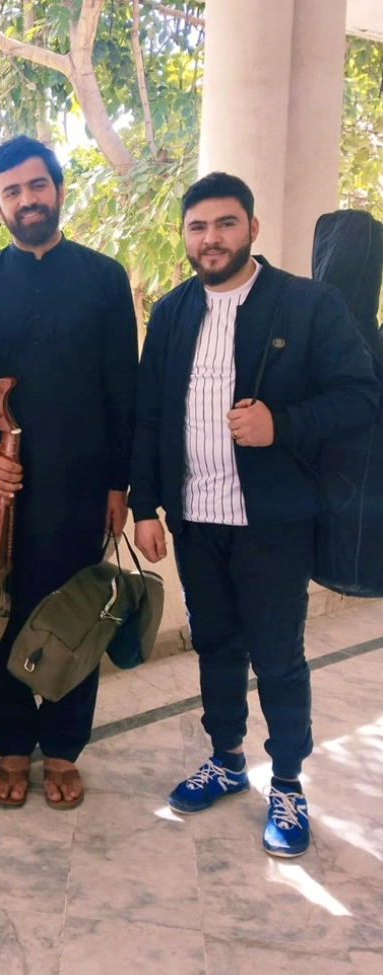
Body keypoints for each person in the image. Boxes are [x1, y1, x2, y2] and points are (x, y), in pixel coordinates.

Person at [130, 172, 380, 857]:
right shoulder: (174, 312)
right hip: (196, 519)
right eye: (198, 227)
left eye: (225, 223)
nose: (211, 239)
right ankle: (226, 758)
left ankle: (290, 782)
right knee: (215, 644)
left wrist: (283, 424)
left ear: (252, 229)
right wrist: (146, 505)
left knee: (276, 654)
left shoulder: (307, 305)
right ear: (185, 237)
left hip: (272, 519)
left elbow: (361, 396)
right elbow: (150, 415)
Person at [0, 135, 139, 809]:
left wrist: (120, 485)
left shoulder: (103, 277)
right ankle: (9, 746)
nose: (26, 199)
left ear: (57, 189)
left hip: (80, 485)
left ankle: (62, 748)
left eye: (36, 185)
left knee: (74, 614)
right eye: (11, 191)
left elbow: (125, 387)